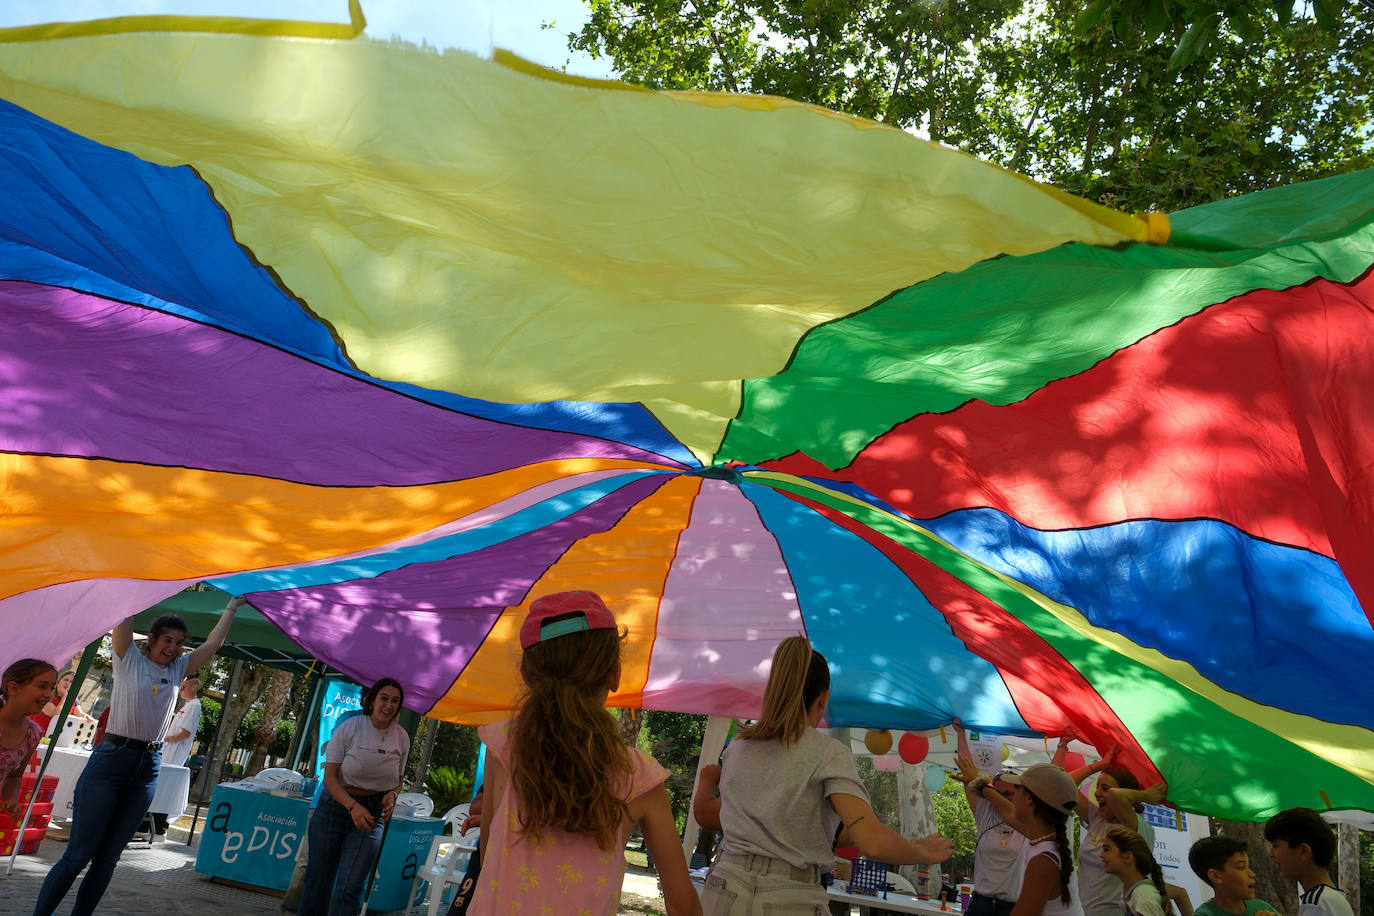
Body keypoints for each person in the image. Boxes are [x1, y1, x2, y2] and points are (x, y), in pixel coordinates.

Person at [469, 590, 700, 916]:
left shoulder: (502, 747)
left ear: (527, 675)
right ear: (614, 674)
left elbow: (487, 855)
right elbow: (681, 902)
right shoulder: (639, 776)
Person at [695, 634, 954, 915]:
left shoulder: (740, 748)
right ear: (823, 698)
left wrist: (708, 781)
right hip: (789, 898)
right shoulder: (828, 753)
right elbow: (872, 842)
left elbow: (710, 816)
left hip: (724, 889)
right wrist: (922, 852)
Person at [32, 596, 243, 916]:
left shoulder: (178, 670)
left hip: (147, 769)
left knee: (106, 861)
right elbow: (123, 614)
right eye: (167, 640)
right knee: (78, 855)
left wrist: (231, 608)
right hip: (111, 761)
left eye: (179, 643)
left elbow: (213, 645)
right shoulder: (127, 657)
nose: (172, 647)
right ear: (152, 640)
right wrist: (130, 584)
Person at [299, 677, 410, 916]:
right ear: (371, 700)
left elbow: (398, 779)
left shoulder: (401, 737)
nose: (388, 705)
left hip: (372, 813)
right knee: (318, 883)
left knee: (350, 887)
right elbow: (329, 778)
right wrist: (352, 807)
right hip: (334, 808)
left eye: (395, 700)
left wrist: (392, 794)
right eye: (384, 698)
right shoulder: (349, 727)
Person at [1069, 747, 1166, 916]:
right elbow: (1066, 783)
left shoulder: (1134, 826)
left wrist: (1145, 795)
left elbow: (1115, 796)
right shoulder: (1097, 818)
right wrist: (1101, 764)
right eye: (1097, 786)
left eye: (1104, 788)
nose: (1097, 793)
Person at [954, 718, 1031, 916]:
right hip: (981, 904)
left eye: (1008, 795)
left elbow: (1055, 782)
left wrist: (1062, 746)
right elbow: (967, 769)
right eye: (996, 793)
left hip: (1012, 907)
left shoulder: (1028, 823)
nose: (999, 799)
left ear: (1022, 796)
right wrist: (960, 734)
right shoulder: (985, 812)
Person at [1002, 763, 1083, 916]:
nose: (1013, 793)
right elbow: (1007, 813)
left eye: (1017, 787)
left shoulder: (1043, 862)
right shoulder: (1046, 843)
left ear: (1029, 798)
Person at [1264, 807, 1354, 916]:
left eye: (1275, 846)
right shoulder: (1333, 898)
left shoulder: (1315, 903)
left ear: (1303, 851)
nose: (1271, 853)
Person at [2, 660, 57, 819]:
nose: (48, 694)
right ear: (13, 688)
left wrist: (10, 799)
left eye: (51, 688)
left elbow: (15, 776)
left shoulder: (33, 734)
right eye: (42, 686)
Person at [149, 676, 202, 838]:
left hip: (174, 755)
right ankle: (152, 822)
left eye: (184, 687)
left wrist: (166, 739)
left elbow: (185, 732)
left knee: (165, 788)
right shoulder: (187, 705)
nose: (181, 690)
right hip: (168, 753)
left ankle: (158, 823)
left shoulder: (194, 705)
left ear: (193, 687)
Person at [1187, 836, 1279, 916]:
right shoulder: (1205, 914)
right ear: (1215, 876)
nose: (1252, 874)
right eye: (1241, 867)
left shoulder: (1262, 907)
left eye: (1248, 866)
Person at [1101, 827, 1166, 916]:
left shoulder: (1143, 896)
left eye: (1106, 849)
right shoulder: (1132, 892)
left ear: (1127, 857)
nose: (1101, 855)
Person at [30, 667, 94, 736]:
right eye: (66, 680)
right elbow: (58, 715)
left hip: (56, 738)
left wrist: (86, 716)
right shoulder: (47, 694)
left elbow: (79, 713)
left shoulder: (73, 699)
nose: (68, 683)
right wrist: (65, 695)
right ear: (59, 680)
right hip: (36, 735)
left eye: (72, 682)